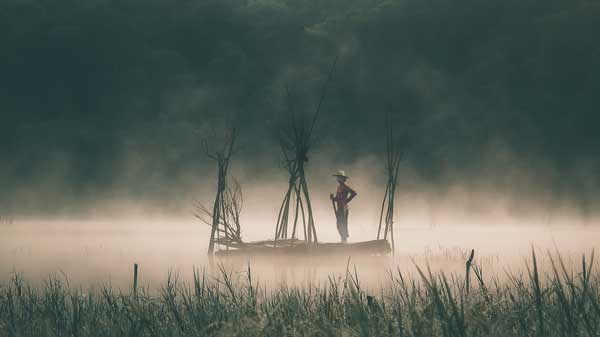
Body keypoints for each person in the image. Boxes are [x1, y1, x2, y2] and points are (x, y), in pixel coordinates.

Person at [330, 170, 357, 243]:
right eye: (337, 178)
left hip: (344, 208)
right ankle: (343, 240)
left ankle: (344, 240)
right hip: (340, 207)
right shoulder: (339, 187)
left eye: (339, 178)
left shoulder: (345, 186)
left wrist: (347, 200)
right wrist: (333, 198)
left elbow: (354, 193)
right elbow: (338, 198)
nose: (337, 179)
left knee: (342, 224)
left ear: (342, 178)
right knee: (339, 225)